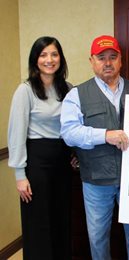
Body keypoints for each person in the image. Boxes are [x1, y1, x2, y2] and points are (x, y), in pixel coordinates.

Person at [60, 35, 129, 260]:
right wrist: (105, 136)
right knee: (98, 236)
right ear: (92, 61)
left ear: (121, 61)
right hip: (96, 180)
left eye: (112, 57)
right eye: (101, 58)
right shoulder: (77, 95)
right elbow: (69, 133)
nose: (107, 63)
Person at [8, 36, 72, 259]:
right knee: (39, 225)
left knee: (61, 222)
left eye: (54, 54)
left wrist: (75, 154)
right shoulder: (24, 91)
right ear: (35, 59)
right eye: (43, 55)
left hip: (63, 165)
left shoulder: (68, 89)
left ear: (60, 59)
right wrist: (20, 175)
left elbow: (72, 127)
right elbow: (16, 133)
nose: (49, 59)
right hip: (36, 166)